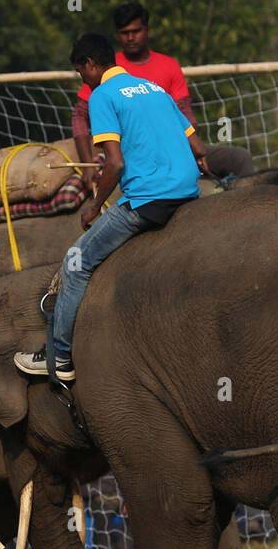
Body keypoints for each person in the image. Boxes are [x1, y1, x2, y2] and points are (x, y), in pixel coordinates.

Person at [15, 33, 209, 382]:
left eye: (80, 72)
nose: (82, 81)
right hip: (187, 191)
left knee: (76, 264)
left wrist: (93, 206)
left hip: (149, 200)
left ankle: (58, 358)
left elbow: (115, 164)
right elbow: (197, 145)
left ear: (91, 64)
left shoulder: (102, 95)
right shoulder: (153, 88)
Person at [71, 2, 196, 166]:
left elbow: (185, 114)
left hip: (170, 147)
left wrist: (182, 149)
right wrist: (86, 165)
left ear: (147, 30)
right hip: (124, 151)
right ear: (116, 35)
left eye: (136, 31)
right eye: (124, 33)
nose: (130, 38)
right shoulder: (104, 68)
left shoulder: (169, 66)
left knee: (235, 158)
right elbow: (80, 115)